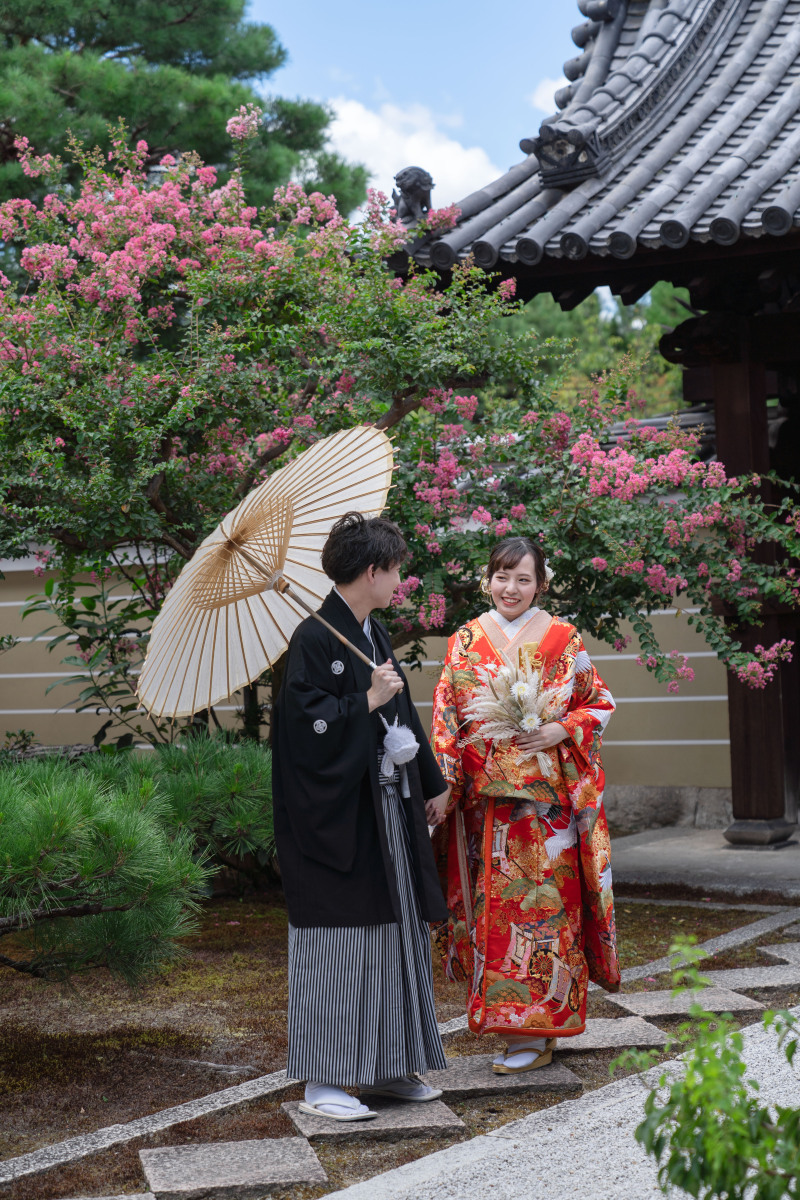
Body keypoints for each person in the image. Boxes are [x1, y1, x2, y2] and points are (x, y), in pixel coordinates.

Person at [272, 511, 450, 1121]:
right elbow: (305, 733)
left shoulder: (368, 632)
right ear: (372, 571)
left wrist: (432, 781)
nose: (399, 581)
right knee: (340, 942)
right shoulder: (314, 638)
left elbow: (404, 716)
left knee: (393, 930)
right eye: (395, 570)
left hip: (386, 812)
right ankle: (324, 1079)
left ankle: (389, 1065)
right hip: (337, 822)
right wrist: (364, 699)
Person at [429, 536, 620, 1074]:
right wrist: (445, 782)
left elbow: (599, 702)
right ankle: (509, 1022)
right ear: (486, 579)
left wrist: (561, 727)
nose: (510, 589)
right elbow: (447, 718)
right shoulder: (464, 640)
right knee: (494, 915)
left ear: (541, 583)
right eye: (501, 577)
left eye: (522, 579)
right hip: (484, 805)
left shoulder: (563, 636)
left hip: (546, 810)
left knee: (543, 911)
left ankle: (540, 1026)